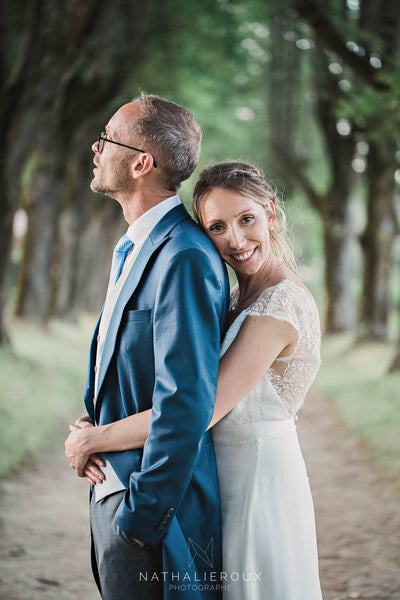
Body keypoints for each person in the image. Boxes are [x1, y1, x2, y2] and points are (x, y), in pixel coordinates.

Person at [66, 161, 324, 599]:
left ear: (270, 215)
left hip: (257, 481)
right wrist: (91, 422)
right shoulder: (241, 292)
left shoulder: (279, 307)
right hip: (220, 475)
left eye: (247, 220)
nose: (236, 240)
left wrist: (96, 440)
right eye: (218, 226)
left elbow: (199, 410)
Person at [66, 94, 230, 600]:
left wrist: (141, 518)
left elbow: (186, 404)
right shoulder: (137, 248)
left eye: (107, 138)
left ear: (141, 163)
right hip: (115, 492)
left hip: (152, 515)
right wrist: (90, 429)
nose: (96, 148)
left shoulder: (184, 257)